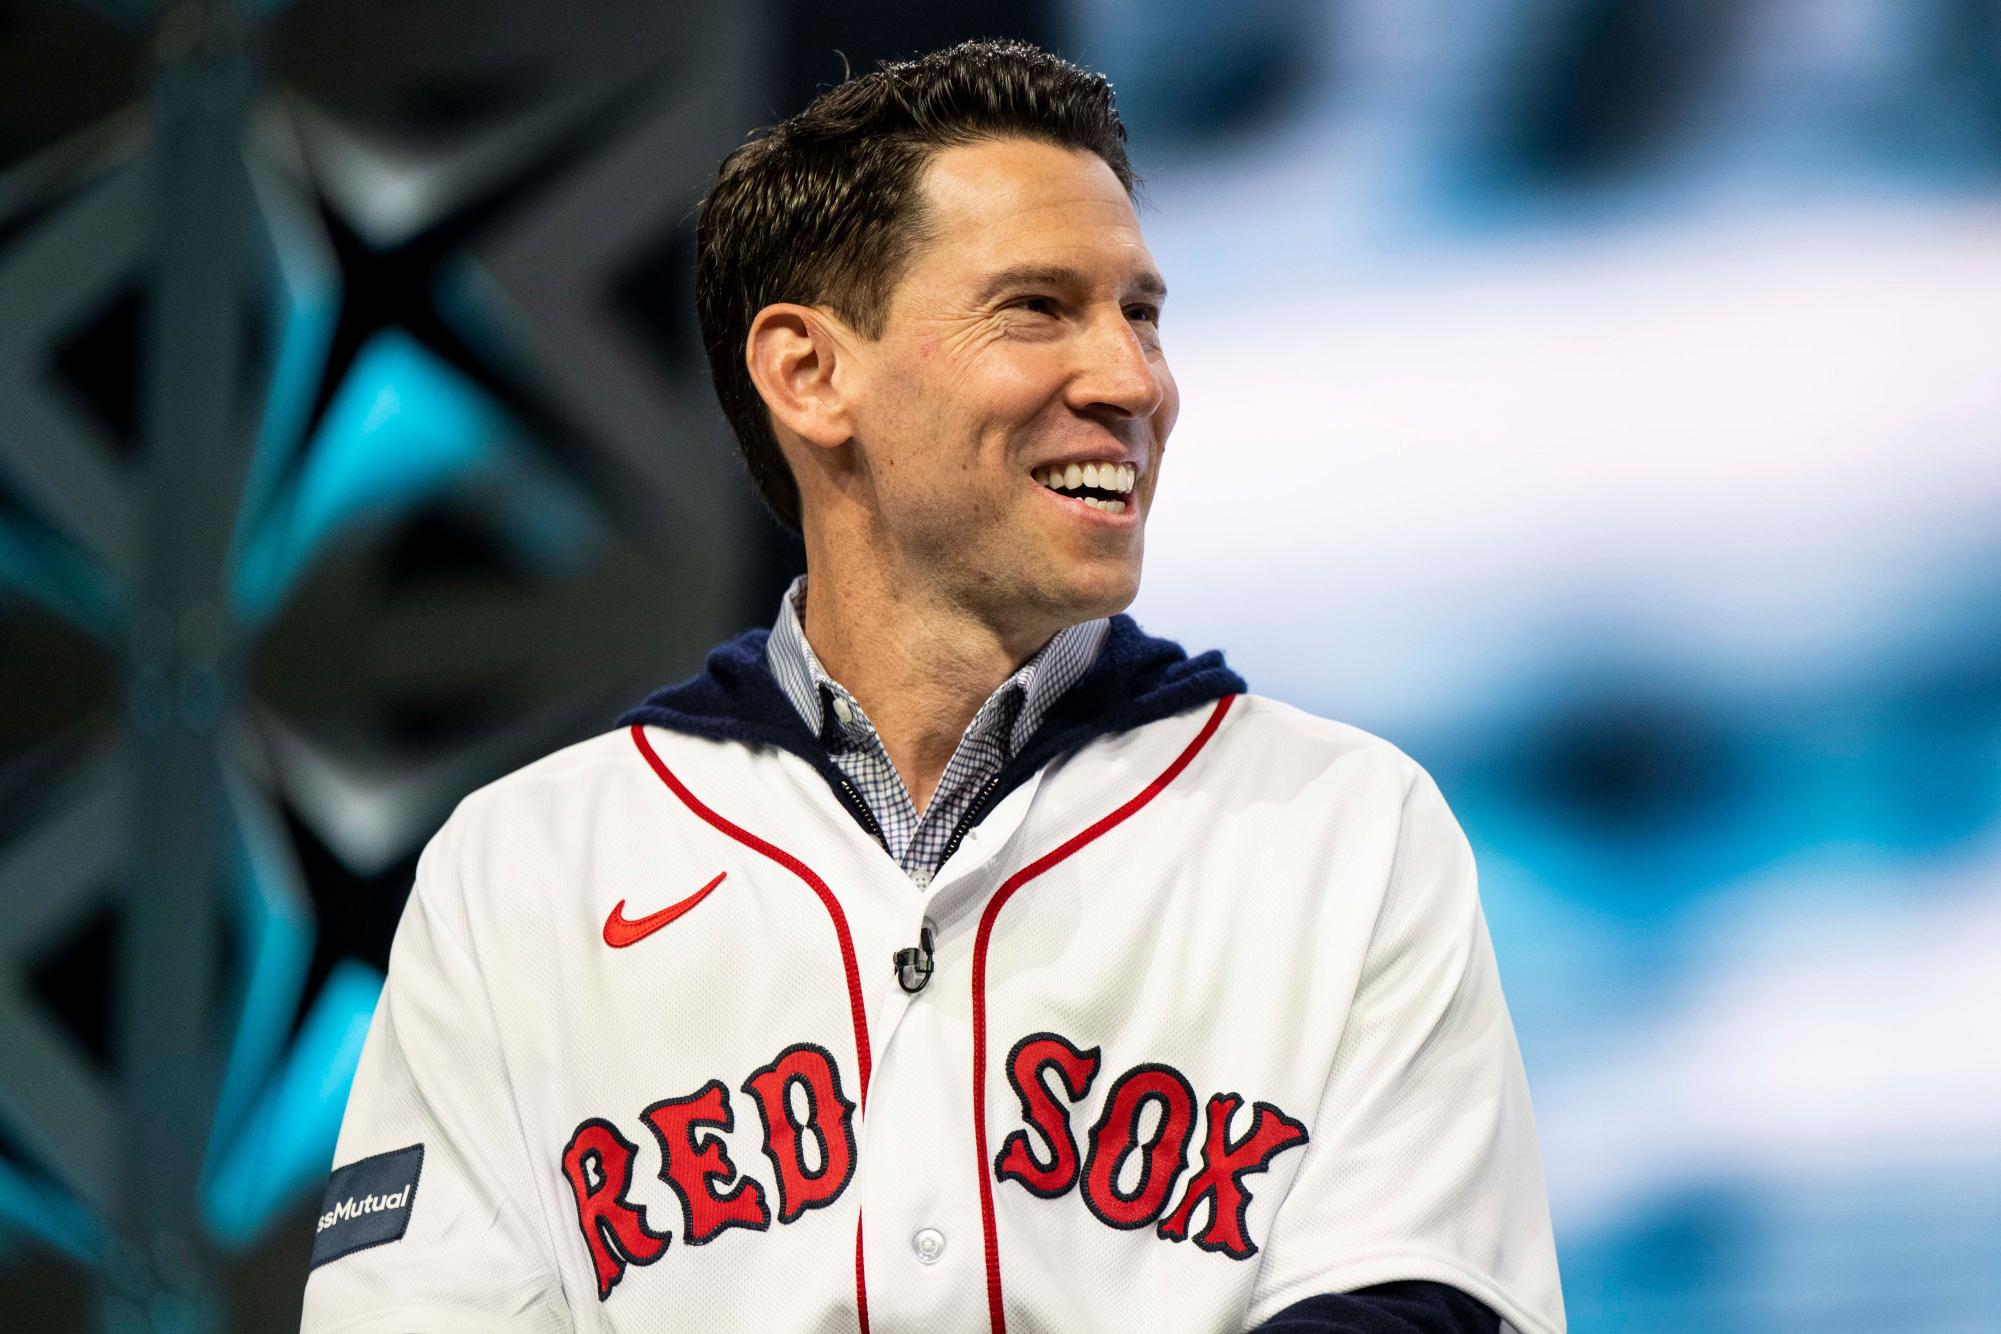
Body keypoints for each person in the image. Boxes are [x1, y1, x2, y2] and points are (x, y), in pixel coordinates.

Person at [300, 39, 1564, 1334]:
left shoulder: (1343, 829)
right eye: (1036, 307)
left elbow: (1435, 1303)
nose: (1132, 381)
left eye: (1140, 313)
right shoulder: (524, 868)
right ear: (808, 373)